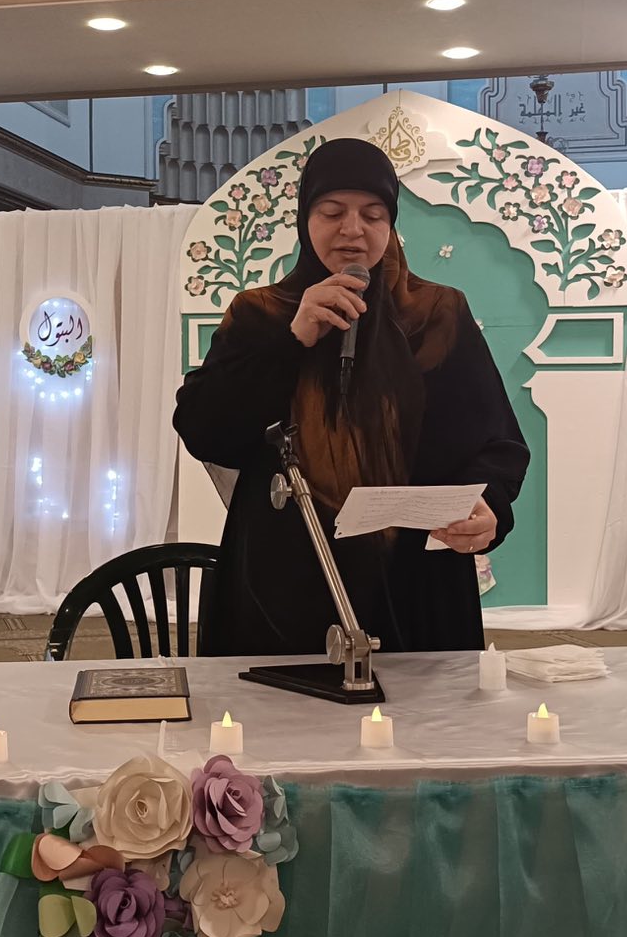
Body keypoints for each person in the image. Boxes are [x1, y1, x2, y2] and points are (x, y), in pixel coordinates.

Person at [174, 137, 529, 656]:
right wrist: (292, 341)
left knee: (424, 710)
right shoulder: (260, 314)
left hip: (414, 582)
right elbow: (207, 431)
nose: (353, 229)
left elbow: (498, 442)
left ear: (391, 223)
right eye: (332, 211)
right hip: (285, 578)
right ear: (305, 220)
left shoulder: (439, 314)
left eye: (373, 214)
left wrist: (489, 503)